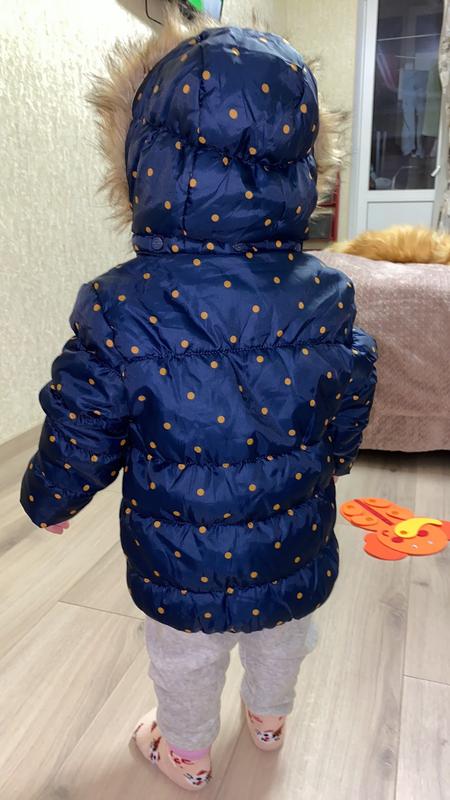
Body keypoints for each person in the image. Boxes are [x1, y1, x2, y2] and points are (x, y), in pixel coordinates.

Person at [20, 17, 377, 794]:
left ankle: (185, 753)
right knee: (284, 630)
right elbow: (352, 387)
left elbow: (83, 417)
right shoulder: (328, 293)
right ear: (303, 164)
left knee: (185, 652)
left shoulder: (124, 304)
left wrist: (52, 497)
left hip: (181, 549)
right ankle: (268, 721)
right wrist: (338, 455)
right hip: (292, 529)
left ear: (142, 162)